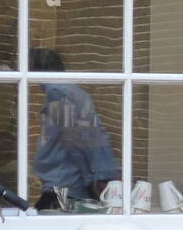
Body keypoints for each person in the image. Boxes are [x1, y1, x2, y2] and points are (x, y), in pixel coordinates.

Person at [30, 48, 121, 211]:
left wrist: (95, 179)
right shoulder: (68, 91)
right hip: (67, 185)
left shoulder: (58, 91)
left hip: (66, 187)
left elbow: (77, 137)